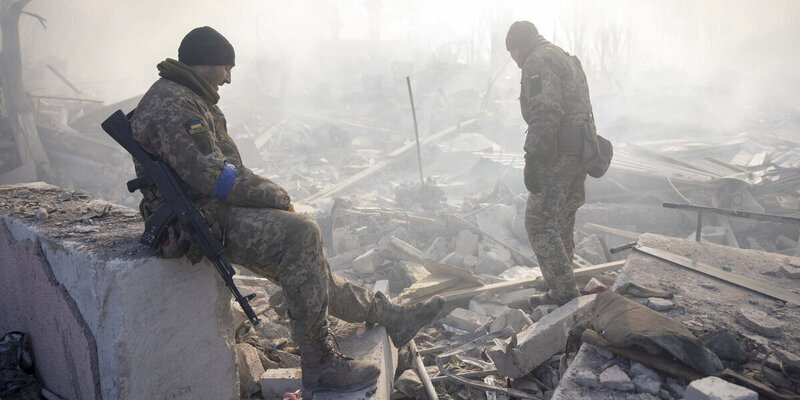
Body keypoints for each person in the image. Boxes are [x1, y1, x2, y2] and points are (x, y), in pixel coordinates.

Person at [129, 26, 444, 392]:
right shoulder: (174, 103)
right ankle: (320, 364)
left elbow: (220, 172)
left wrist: (266, 194)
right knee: (302, 234)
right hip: (193, 222)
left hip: (206, 212)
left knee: (307, 267)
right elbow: (212, 176)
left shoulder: (184, 95)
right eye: (226, 68)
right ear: (206, 64)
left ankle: (388, 315)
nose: (229, 78)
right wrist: (273, 194)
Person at [505, 21, 601, 308]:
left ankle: (562, 293)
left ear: (518, 47)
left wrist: (532, 157)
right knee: (562, 216)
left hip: (560, 152)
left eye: (512, 53)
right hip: (581, 148)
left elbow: (545, 110)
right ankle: (561, 277)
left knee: (538, 221)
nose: (513, 60)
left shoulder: (537, 61)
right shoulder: (561, 55)